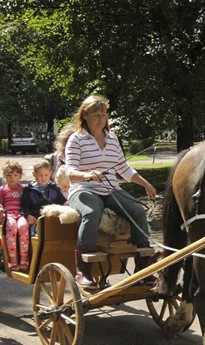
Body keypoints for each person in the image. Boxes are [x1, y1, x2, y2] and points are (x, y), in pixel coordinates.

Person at [64, 94, 156, 287]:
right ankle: (83, 270)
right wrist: (87, 174)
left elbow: (124, 169)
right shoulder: (76, 139)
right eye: (97, 114)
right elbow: (70, 173)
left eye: (104, 114)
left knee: (138, 211)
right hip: (83, 190)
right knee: (91, 211)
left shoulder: (112, 139)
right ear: (85, 115)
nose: (101, 119)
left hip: (111, 189)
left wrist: (146, 184)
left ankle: (143, 269)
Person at [0, 161, 30, 271]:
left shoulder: (24, 189)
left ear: (20, 176)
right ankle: (13, 259)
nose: (12, 178)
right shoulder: (1, 190)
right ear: (5, 176)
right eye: (9, 175)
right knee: (11, 226)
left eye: (15, 175)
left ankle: (24, 258)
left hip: (20, 215)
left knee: (23, 227)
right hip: (8, 215)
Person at [21, 158, 67, 234]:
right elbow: (24, 205)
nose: (43, 178)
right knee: (38, 232)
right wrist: (28, 215)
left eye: (46, 175)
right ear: (34, 174)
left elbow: (62, 201)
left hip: (53, 219)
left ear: (50, 174)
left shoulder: (54, 188)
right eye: (40, 175)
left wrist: (66, 204)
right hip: (36, 220)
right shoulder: (29, 190)